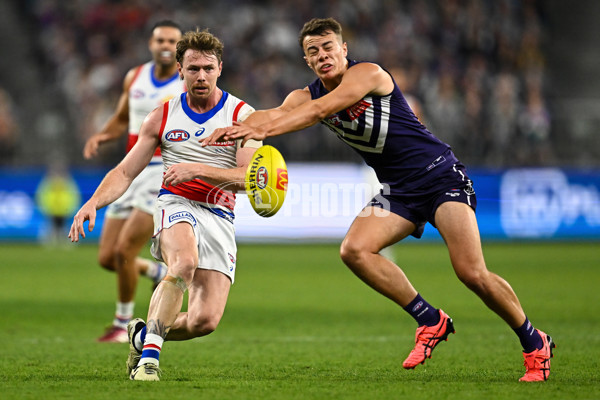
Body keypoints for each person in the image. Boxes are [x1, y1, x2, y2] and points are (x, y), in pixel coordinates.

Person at [203, 17, 555, 382]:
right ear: (306, 60)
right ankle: (430, 319)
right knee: (354, 250)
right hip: (399, 189)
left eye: (328, 47)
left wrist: (261, 128)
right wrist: (232, 124)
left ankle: (534, 341)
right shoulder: (303, 96)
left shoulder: (368, 74)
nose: (322, 55)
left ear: (344, 49)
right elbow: (273, 114)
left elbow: (321, 111)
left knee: (471, 272)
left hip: (440, 176)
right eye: (313, 51)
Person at [70, 28, 261, 381]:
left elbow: (249, 179)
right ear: (180, 71)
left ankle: (144, 336)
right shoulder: (160, 116)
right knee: (183, 262)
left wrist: (196, 168)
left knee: (205, 321)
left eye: (207, 68)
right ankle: (149, 363)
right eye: (192, 69)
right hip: (176, 202)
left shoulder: (243, 115)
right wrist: (92, 203)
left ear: (220, 68)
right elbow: (125, 171)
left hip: (220, 213)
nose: (200, 76)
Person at [82, 20, 183, 343]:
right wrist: (103, 135)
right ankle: (154, 271)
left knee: (125, 248)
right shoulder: (135, 76)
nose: (165, 45)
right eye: (160, 40)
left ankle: (122, 324)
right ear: (151, 44)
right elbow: (123, 118)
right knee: (107, 257)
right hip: (129, 169)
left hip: (159, 170)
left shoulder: (187, 81)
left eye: (172, 40)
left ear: (179, 47)